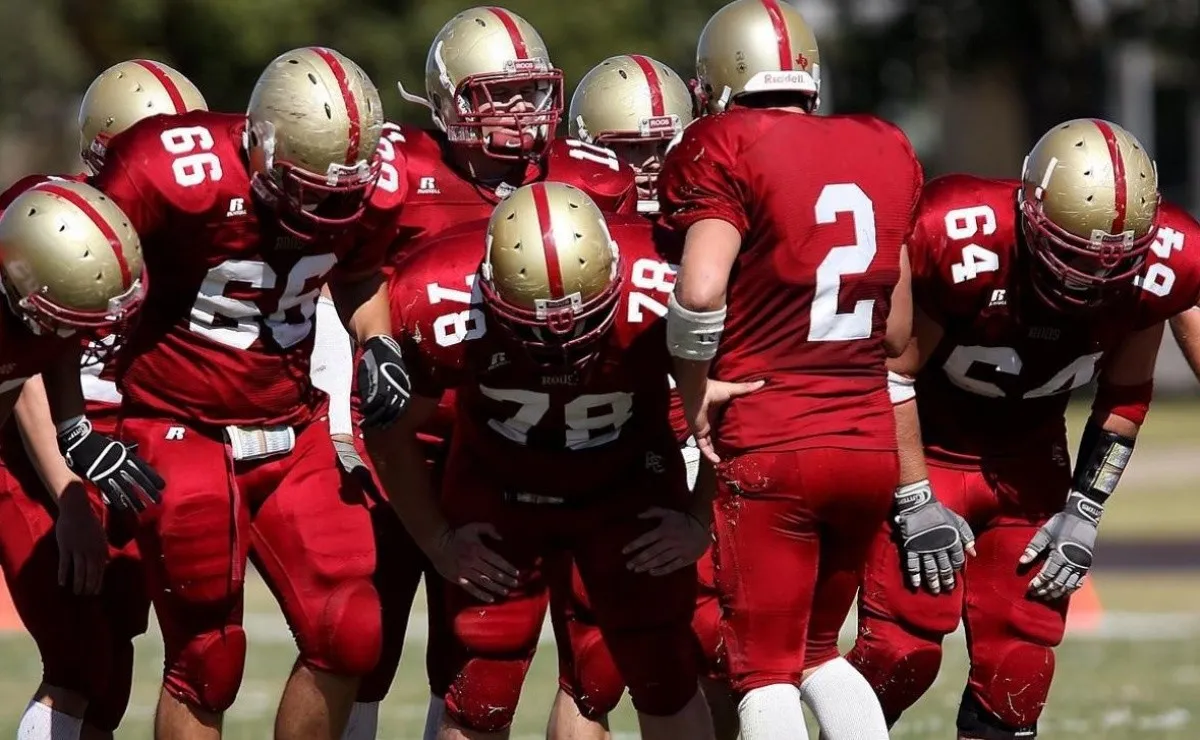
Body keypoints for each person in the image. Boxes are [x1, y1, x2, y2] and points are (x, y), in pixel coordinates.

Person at [323, 9, 641, 739]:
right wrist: (377, 342)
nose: (517, 111)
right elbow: (353, 270)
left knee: (467, 648)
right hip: (406, 430)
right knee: (363, 637)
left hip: (513, 444)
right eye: (493, 95)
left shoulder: (589, 176)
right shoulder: (401, 170)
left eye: (529, 92)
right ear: (445, 101)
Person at [90, 46, 411, 740]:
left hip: (291, 424)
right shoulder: (169, 170)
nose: (326, 211)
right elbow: (92, 279)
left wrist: (377, 343)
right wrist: (87, 422)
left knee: (351, 630)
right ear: (258, 147)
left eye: (341, 195)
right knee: (208, 656)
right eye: (307, 189)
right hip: (178, 423)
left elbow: (359, 274)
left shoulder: (376, 182)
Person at [846, 118, 1200, 740]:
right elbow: (891, 373)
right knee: (901, 652)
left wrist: (1086, 510)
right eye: (1073, 256)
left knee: (1022, 662)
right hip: (926, 448)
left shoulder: (1165, 264)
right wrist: (914, 496)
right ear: (1029, 214)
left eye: (1113, 265)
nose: (1089, 279)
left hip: (1031, 466)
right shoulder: (959, 233)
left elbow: (1125, 394)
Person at [367, 181, 727, 740]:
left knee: (665, 670)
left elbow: (724, 409)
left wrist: (700, 519)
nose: (564, 341)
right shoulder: (435, 292)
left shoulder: (666, 280)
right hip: (499, 488)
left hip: (627, 486)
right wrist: (437, 540)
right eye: (531, 326)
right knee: (481, 683)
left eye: (587, 320)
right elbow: (390, 433)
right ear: (487, 290)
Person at [658, 1, 928, 738]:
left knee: (762, 668)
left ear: (718, 79)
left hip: (775, 438)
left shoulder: (721, 143)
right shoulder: (883, 143)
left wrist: (694, 388)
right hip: (868, 441)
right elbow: (898, 330)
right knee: (818, 652)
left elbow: (700, 290)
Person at [0, 58, 205, 740]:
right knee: (81, 667)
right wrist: (67, 493)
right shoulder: (59, 228)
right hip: (37, 459)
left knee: (110, 669)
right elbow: (24, 363)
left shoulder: (179, 232)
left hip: (112, 453)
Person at [545, 52, 725, 740]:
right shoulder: (562, 235)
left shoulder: (716, 214)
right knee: (593, 667)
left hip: (702, 445)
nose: (650, 166)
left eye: (664, 146)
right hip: (605, 454)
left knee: (717, 650)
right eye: (631, 150)